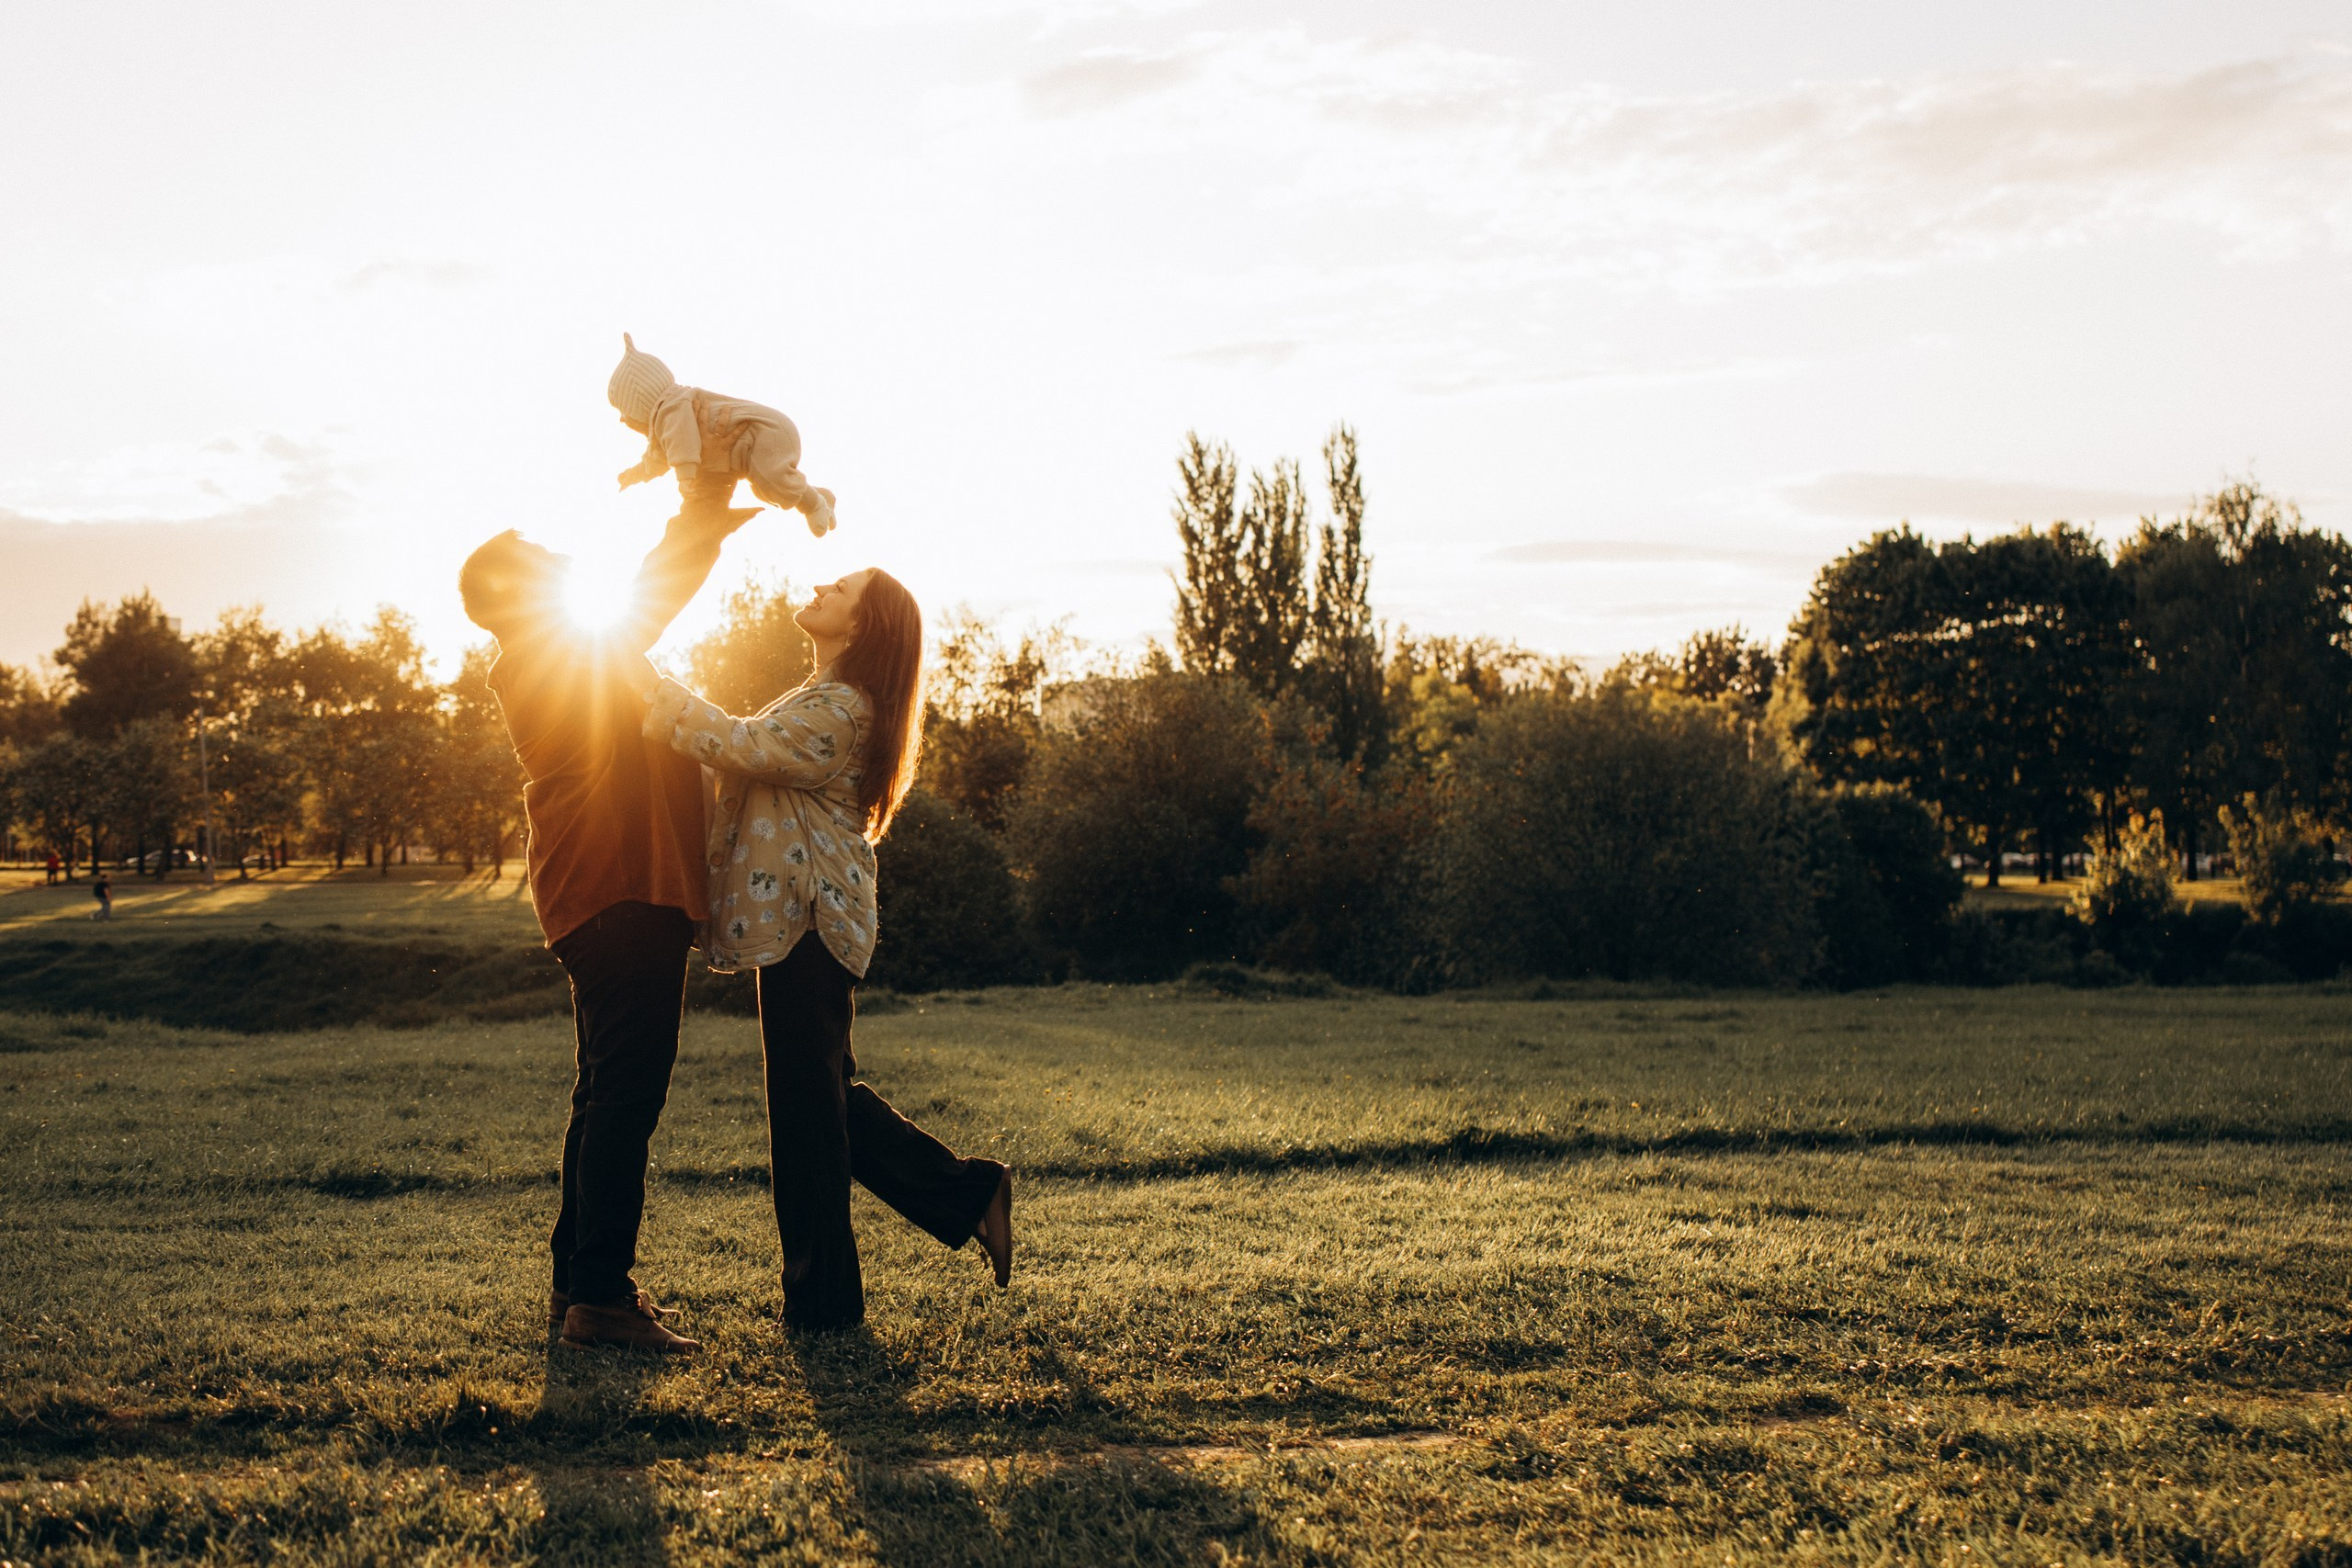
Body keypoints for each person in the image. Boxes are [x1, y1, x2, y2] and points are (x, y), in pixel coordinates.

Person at [639, 568, 1012, 1333]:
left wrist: (634, 672)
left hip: (813, 918)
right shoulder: (827, 696)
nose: (819, 586)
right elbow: (743, 746)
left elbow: (737, 743)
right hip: (802, 921)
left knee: (808, 1115)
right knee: (823, 1101)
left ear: (862, 624)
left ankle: (825, 1304)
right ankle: (967, 1196)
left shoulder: (843, 708)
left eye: (838, 587)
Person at [458, 503, 759, 1355]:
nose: (559, 554)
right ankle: (601, 1297)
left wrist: (700, 522)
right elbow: (647, 604)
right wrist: (698, 515)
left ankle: (577, 1283)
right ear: (513, 592)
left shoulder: (554, 657)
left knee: (601, 1095)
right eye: (539, 553)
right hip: (621, 891)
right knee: (627, 1094)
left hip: (605, 895)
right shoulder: (556, 659)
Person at [609, 333, 838, 538]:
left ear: (640, 405)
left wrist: (687, 480)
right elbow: (658, 457)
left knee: (772, 480)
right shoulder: (666, 421)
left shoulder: (672, 408)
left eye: (624, 411)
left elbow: (684, 445)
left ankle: (814, 505)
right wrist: (637, 473)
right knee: (764, 486)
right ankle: (816, 496)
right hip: (758, 437)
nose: (622, 420)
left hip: (768, 432)